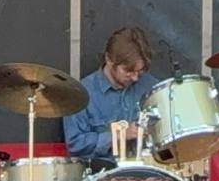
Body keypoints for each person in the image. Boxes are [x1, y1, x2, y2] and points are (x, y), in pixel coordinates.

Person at [62, 26, 157, 164]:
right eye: (128, 71)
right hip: (102, 172)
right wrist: (119, 135)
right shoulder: (81, 93)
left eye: (140, 71)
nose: (135, 78)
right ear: (109, 59)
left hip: (149, 171)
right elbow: (76, 144)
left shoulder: (151, 87)